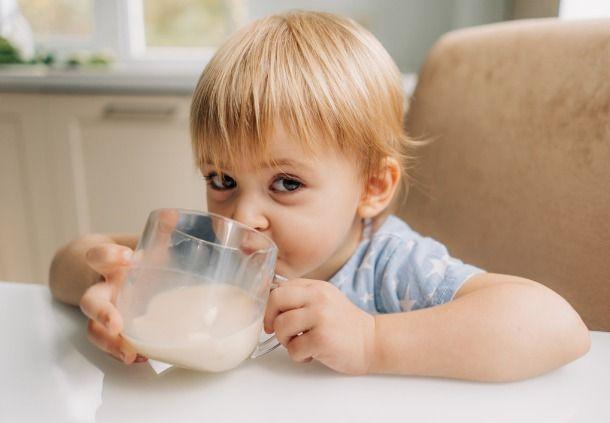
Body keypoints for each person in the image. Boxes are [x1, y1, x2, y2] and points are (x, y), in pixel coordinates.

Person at [49, 11, 590, 381]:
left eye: (286, 184)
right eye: (221, 180)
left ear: (373, 188)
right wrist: (112, 279)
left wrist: (374, 341)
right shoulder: (211, 253)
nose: (244, 217)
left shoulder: (390, 267)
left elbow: (558, 327)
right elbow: (64, 265)